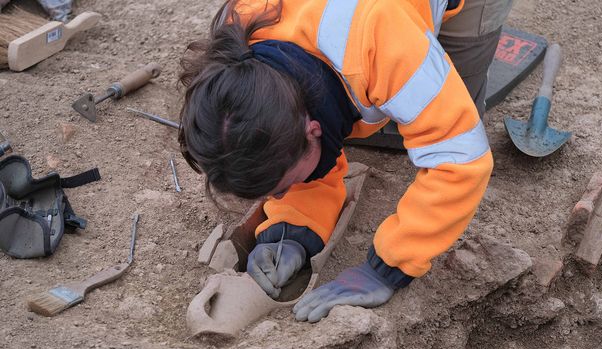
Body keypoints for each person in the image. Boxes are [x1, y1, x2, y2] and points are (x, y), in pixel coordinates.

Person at [179, 0, 514, 323]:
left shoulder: (381, 42)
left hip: (397, 24)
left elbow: (460, 159)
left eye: (280, 189)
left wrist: (388, 268)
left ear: (313, 130)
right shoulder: (233, 37)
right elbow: (288, 134)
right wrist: (295, 224)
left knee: (447, 110)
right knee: (382, 111)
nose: (275, 198)